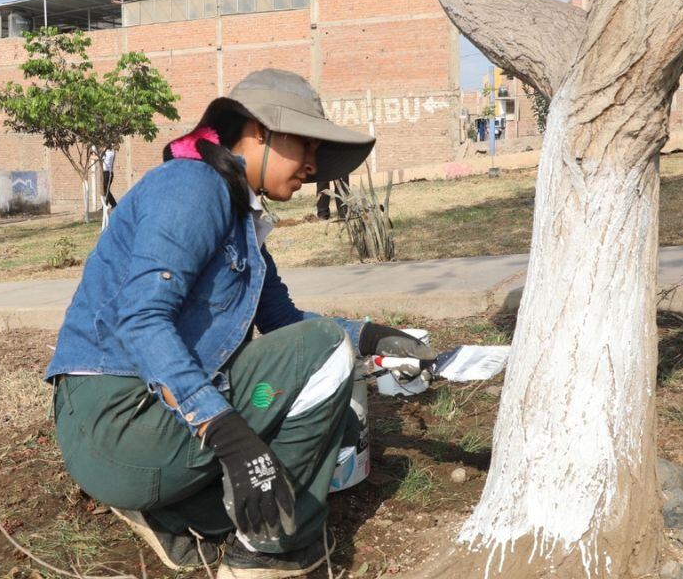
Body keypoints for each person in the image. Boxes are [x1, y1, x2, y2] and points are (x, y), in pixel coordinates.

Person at [44, 69, 435, 579]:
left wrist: (370, 334)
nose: (313, 165)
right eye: (305, 144)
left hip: (136, 434)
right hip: (120, 422)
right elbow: (141, 320)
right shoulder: (191, 185)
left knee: (327, 376)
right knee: (321, 364)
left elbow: (285, 323)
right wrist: (226, 430)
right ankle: (269, 552)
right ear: (255, 131)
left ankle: (180, 515)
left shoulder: (236, 216)